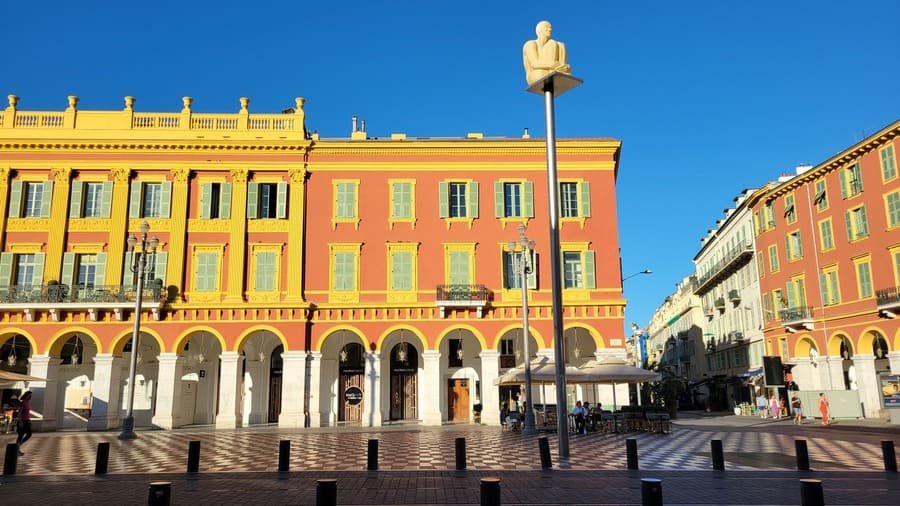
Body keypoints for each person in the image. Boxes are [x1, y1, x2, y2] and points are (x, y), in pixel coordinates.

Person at [522, 20, 572, 85]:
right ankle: (556, 72)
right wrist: (553, 65)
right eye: (546, 27)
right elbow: (534, 63)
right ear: (539, 30)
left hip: (550, 71)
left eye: (550, 28)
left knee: (559, 44)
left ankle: (558, 72)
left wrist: (563, 67)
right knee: (541, 73)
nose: (550, 29)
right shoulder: (530, 44)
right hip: (536, 74)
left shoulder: (553, 44)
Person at [16, 391, 33, 456]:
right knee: (21, 435)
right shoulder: (22, 402)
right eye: (29, 395)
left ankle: (18, 446)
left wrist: (29, 420)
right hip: (22, 421)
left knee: (29, 434)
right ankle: (17, 450)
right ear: (26, 395)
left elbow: (27, 413)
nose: (30, 397)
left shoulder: (28, 402)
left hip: (27, 420)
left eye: (30, 395)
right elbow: (19, 413)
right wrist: (20, 421)